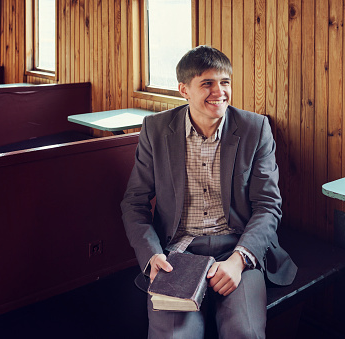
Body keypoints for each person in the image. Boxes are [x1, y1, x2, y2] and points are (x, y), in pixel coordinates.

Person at [121, 45, 297, 339]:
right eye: (207, 83)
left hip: (238, 246)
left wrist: (240, 259)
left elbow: (268, 205)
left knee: (245, 333)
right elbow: (134, 202)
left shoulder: (255, 129)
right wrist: (152, 256)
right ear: (184, 90)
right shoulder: (156, 129)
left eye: (224, 82)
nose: (220, 91)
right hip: (177, 252)